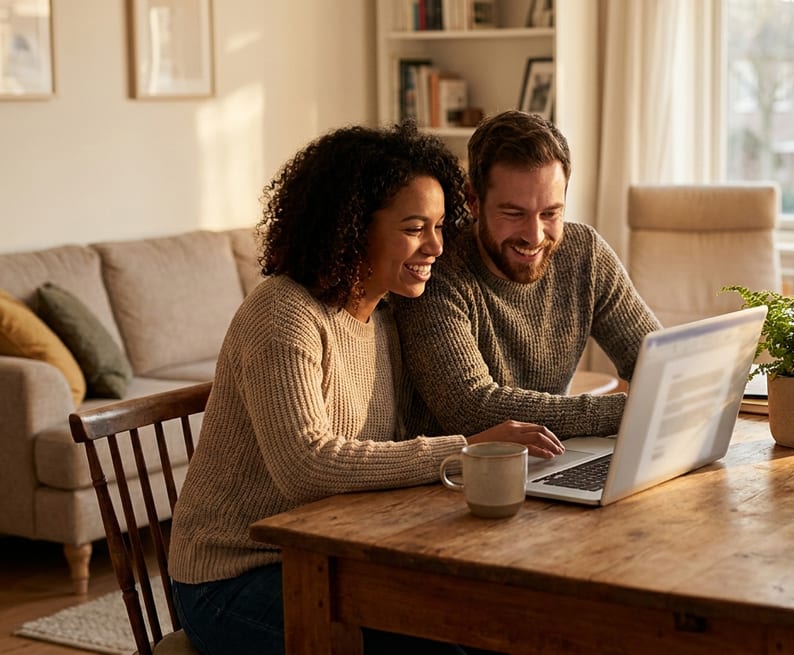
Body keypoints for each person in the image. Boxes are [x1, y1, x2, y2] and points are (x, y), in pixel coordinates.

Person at [168, 122, 563, 655]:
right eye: (414, 227)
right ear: (353, 227)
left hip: (335, 553)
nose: (435, 246)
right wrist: (465, 451)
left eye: (441, 226)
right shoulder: (283, 314)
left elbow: (393, 439)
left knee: (499, 622)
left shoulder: (386, 316)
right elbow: (306, 467)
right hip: (234, 577)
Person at [392, 110, 662, 439]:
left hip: (550, 458)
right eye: (513, 213)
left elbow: (657, 362)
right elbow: (473, 408)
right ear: (474, 201)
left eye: (550, 213)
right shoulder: (434, 270)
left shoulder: (584, 254)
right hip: (457, 476)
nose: (534, 236)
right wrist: (631, 412)